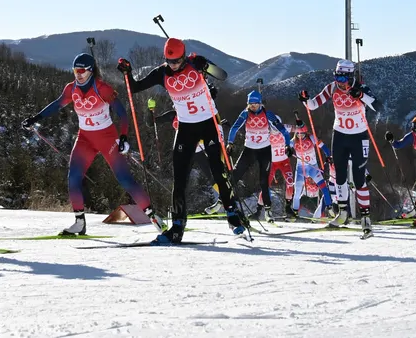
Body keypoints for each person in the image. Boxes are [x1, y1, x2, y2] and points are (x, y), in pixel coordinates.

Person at [22, 53, 163, 236]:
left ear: (90, 71)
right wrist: (35, 118)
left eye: (82, 71)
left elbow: (122, 114)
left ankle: (153, 216)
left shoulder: (102, 88)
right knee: (73, 178)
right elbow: (57, 104)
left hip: (107, 138)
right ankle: (79, 223)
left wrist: (124, 137)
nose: (78, 74)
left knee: (124, 179)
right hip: (85, 139)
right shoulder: (70, 89)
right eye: (75, 70)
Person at [117, 38, 242, 243]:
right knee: (180, 178)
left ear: (184, 57)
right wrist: (127, 71)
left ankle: (232, 213)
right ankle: (177, 226)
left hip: (208, 122)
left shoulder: (195, 62)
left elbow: (222, 75)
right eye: (169, 61)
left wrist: (205, 65)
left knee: (217, 169)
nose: (173, 65)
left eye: (177, 61)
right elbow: (134, 87)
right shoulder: (162, 72)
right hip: (185, 127)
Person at [301, 59, 375, 234]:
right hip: (340, 136)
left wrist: (361, 96)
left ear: (350, 76)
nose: (339, 83)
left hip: (359, 137)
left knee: (358, 179)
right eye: (337, 77)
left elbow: (376, 105)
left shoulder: (361, 87)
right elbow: (313, 105)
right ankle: (342, 213)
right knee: (339, 176)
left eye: (343, 79)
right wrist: (305, 100)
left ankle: (365, 217)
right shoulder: (332, 88)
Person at [226, 90, 290, 221]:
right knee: (235, 174)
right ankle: (224, 201)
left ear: (260, 103)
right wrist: (230, 143)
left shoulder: (268, 114)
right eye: (250, 103)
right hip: (249, 149)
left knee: (264, 181)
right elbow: (234, 128)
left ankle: (267, 211)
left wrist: (288, 145)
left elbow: (283, 130)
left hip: (264, 151)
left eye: (255, 103)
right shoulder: (245, 113)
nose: (253, 106)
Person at [288, 117, 335, 218]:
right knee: (297, 191)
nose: (300, 135)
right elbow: (285, 148)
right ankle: (295, 212)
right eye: (298, 134)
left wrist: (328, 156)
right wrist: (288, 150)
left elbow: (324, 147)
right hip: (301, 169)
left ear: (306, 132)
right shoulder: (293, 141)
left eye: (302, 133)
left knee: (324, 189)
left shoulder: (312, 138)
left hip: (313, 168)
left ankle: (330, 208)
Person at [268, 118, 296, 221]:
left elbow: (302, 130)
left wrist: (300, 125)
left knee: (290, 182)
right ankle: (260, 209)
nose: (276, 129)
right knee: (266, 185)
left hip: (284, 162)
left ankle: (288, 208)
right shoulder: (266, 132)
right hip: (272, 163)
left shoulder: (285, 128)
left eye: (277, 126)